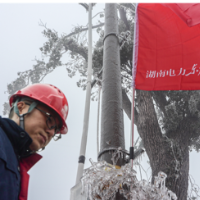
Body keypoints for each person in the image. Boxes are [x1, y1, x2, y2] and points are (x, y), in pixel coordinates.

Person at [0, 83, 69, 200]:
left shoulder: (15, 162)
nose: (51, 133)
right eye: (49, 119)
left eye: (55, 129)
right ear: (21, 108)